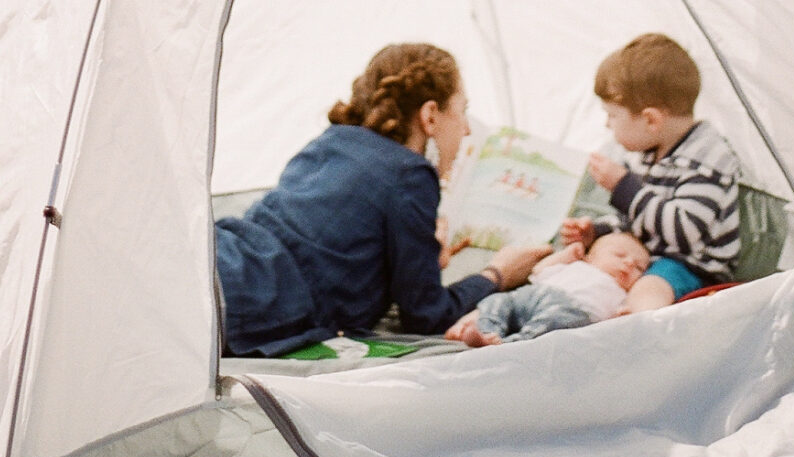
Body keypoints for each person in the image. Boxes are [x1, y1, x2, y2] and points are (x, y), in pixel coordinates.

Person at [213, 42, 551, 356]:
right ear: (430, 116)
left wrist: (420, 256)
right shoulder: (411, 173)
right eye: (462, 111)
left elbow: (330, 246)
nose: (466, 130)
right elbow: (427, 315)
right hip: (247, 300)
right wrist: (498, 274)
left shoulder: (332, 141)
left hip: (219, 254)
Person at [561, 32, 741, 307]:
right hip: (644, 257)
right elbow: (639, 221)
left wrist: (624, 187)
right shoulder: (648, 151)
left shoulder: (707, 159)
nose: (608, 126)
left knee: (650, 287)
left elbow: (683, 232)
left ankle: (638, 325)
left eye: (612, 116)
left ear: (651, 120)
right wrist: (596, 232)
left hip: (690, 266)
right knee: (581, 270)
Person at [444, 228, 651, 345]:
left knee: (550, 325)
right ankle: (487, 331)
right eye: (620, 255)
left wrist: (621, 317)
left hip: (572, 311)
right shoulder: (575, 265)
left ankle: (511, 346)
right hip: (531, 295)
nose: (629, 263)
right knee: (496, 301)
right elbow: (538, 272)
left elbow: (612, 324)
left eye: (639, 267)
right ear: (590, 257)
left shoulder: (621, 292)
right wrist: (566, 254)